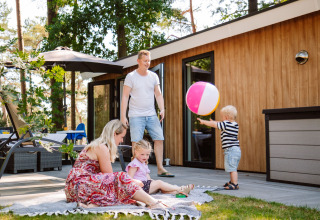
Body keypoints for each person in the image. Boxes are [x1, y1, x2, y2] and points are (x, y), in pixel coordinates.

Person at [65, 119, 168, 209]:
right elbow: (110, 178)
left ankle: (93, 205)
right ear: (114, 134)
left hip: (75, 189)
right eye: (121, 136)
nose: (122, 140)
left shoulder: (98, 145)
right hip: (80, 187)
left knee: (122, 183)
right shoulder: (102, 147)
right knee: (121, 177)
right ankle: (152, 202)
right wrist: (131, 181)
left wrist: (130, 182)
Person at [121, 49, 174, 177]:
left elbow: (158, 94)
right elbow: (125, 97)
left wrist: (162, 109)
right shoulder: (131, 76)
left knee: (159, 139)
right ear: (138, 61)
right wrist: (123, 116)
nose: (147, 63)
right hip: (135, 115)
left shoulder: (153, 76)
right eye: (145, 61)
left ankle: (160, 168)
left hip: (151, 114)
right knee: (136, 142)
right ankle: (136, 169)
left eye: (149, 61)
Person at [126, 139, 194, 196]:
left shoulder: (143, 163)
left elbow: (147, 175)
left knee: (162, 188)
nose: (145, 157)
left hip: (145, 185)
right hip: (139, 187)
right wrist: (137, 182)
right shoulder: (134, 164)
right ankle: (180, 188)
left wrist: (151, 181)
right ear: (136, 152)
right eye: (142, 154)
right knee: (159, 183)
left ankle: (178, 192)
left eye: (147, 154)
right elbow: (128, 179)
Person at [197, 105, 241, 190]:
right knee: (232, 167)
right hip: (235, 149)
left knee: (232, 168)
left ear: (226, 117)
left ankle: (235, 184)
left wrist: (203, 121)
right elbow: (219, 123)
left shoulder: (225, 124)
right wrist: (215, 122)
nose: (221, 119)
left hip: (231, 150)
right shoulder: (235, 124)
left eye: (222, 117)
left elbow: (215, 125)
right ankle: (232, 181)